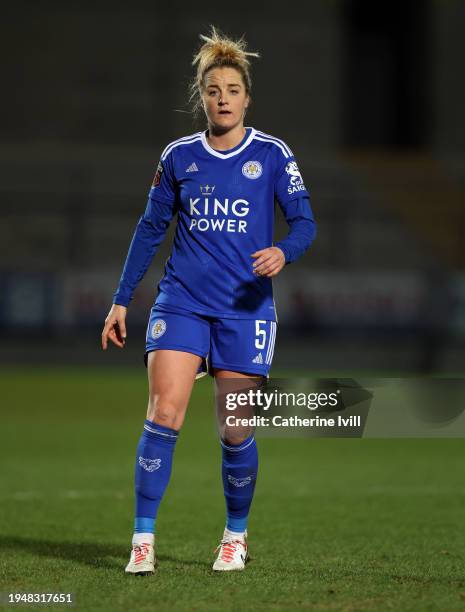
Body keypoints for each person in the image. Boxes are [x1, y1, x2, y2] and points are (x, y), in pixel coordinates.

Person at [101, 25, 316, 574]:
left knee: (236, 427)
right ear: (202, 97)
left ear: (247, 97)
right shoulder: (178, 157)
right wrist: (122, 300)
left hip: (245, 310)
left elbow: (305, 223)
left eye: (233, 90)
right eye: (214, 90)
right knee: (164, 412)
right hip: (181, 303)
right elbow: (150, 230)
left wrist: (283, 253)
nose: (223, 99)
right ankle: (142, 540)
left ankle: (235, 535)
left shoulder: (271, 154)